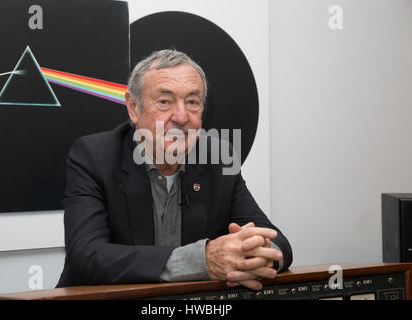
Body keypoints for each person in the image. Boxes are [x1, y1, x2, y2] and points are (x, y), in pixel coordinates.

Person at [56, 49, 292, 291]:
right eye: (164, 101)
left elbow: (278, 243)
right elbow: (86, 257)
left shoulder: (218, 159)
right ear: (133, 108)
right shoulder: (94, 156)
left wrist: (256, 256)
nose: (181, 117)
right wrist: (204, 260)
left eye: (192, 102)